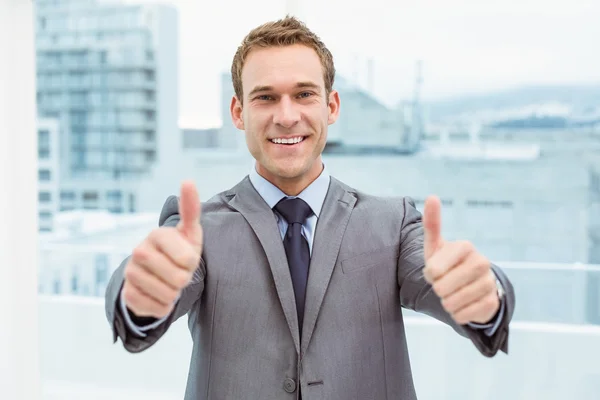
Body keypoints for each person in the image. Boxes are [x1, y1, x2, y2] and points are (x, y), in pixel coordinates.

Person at [105, 15, 515, 400]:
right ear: (238, 112)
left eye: (304, 94)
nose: (287, 117)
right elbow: (145, 300)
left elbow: (449, 283)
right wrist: (138, 298)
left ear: (331, 106)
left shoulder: (394, 223)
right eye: (265, 97)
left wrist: (485, 300)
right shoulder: (199, 230)